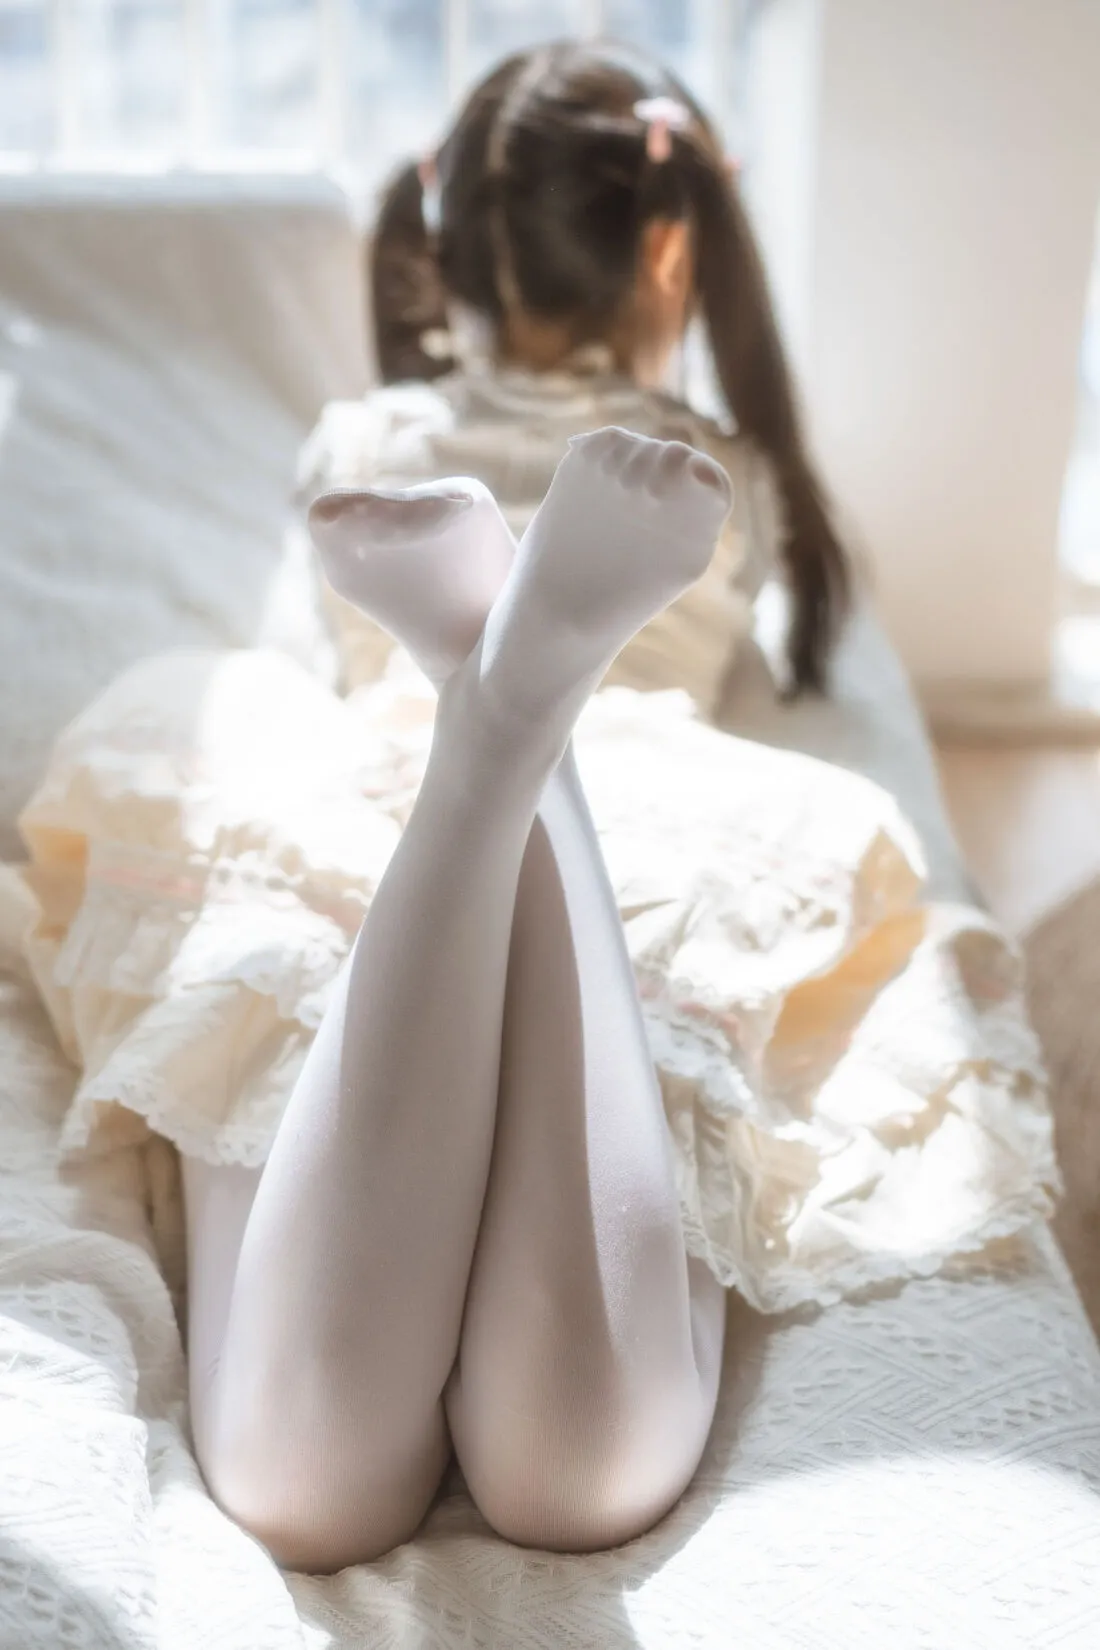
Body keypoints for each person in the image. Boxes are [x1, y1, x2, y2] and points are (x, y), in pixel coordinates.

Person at [19, 36, 1055, 1581]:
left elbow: (297, 633)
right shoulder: (715, 473)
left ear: (444, 235)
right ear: (672, 248)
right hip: (657, 817)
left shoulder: (365, 449)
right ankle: (527, 712)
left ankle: (487, 707)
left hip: (359, 811)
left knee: (299, 1484)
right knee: (575, 1470)